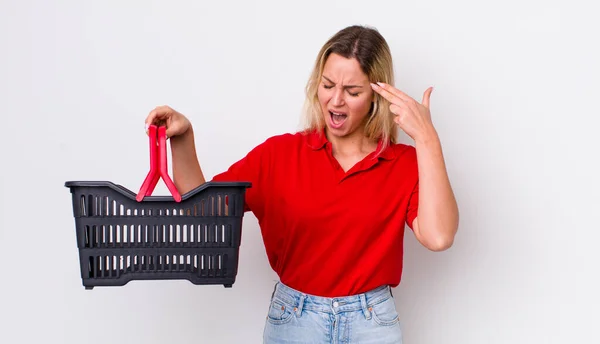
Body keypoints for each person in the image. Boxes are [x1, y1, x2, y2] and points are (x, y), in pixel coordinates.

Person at [145, 25, 459, 344]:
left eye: (352, 91)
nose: (336, 100)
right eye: (327, 85)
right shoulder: (279, 155)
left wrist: (427, 139)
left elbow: (438, 236)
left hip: (372, 323)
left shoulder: (403, 162)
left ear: (377, 95)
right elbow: (203, 212)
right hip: (294, 319)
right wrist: (183, 138)